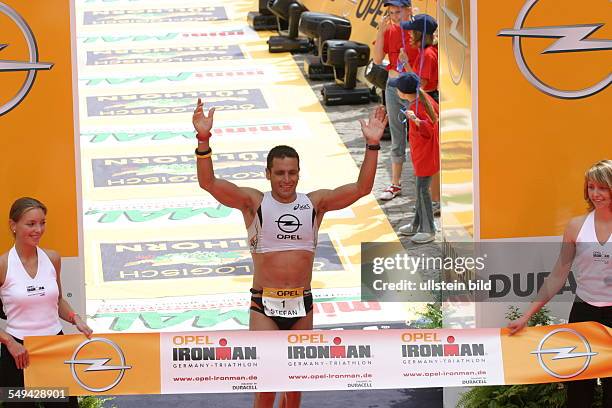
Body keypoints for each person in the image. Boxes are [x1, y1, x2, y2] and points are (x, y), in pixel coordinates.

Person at [192, 98, 387, 408]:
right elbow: (209, 182)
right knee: (267, 386)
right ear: (268, 174)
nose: (286, 179)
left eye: (292, 173)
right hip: (264, 305)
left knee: (294, 389)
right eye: (280, 173)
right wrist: (203, 139)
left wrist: (373, 145)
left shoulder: (315, 204)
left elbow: (362, 188)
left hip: (302, 304)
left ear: (299, 173)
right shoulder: (253, 203)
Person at [507, 159, 611, 408]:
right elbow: (558, 274)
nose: (595, 194)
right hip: (583, 312)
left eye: (603, 188)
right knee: (577, 390)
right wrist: (526, 316)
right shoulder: (576, 226)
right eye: (591, 187)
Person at [0, 197, 93, 408]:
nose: (38, 229)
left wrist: (76, 319)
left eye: (42, 222)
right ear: (13, 225)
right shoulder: (3, 264)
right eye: (31, 224)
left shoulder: (53, 258)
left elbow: (58, 300)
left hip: (54, 347)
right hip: (17, 353)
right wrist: (10, 343)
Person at [373, 0, 416, 201]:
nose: (394, 16)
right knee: (397, 138)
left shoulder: (417, 31)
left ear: (408, 10)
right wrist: (380, 31)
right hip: (392, 86)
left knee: (417, 136)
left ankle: (424, 184)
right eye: (390, 12)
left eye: (398, 11)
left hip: (412, 89)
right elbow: (377, 59)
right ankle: (395, 184)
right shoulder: (390, 30)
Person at [391, 72, 439, 244]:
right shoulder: (423, 99)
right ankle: (416, 224)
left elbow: (429, 129)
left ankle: (428, 229)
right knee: (420, 190)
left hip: (425, 155)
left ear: (403, 93)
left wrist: (416, 120)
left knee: (422, 191)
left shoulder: (417, 106)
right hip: (424, 154)